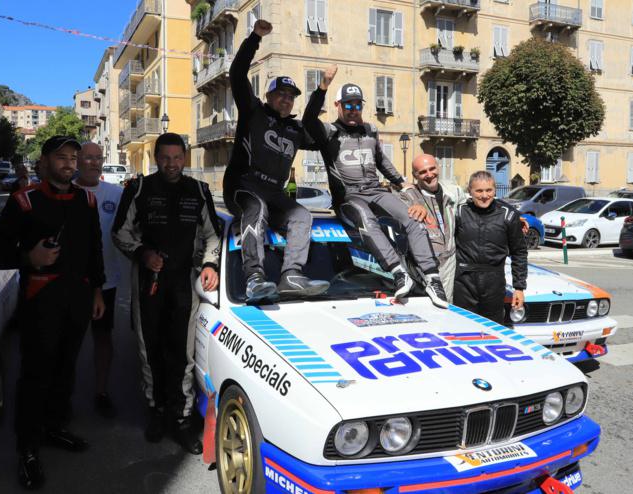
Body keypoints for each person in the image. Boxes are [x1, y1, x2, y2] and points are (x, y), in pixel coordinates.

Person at [0, 135, 105, 490]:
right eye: (61, 157)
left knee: (66, 369)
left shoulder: (87, 199)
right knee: (35, 374)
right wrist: (29, 258)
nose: (70, 163)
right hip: (40, 300)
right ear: (44, 162)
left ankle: (54, 427)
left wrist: (97, 291)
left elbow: (94, 248)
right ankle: (27, 448)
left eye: (74, 157)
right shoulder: (24, 201)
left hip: (79, 298)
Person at [302, 65, 448, 307]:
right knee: (366, 220)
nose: (353, 110)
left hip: (376, 191)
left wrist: (402, 183)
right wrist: (323, 86)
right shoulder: (329, 132)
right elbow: (308, 120)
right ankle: (398, 273)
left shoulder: (371, 130)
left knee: (413, 220)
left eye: (357, 104)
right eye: (347, 104)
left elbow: (381, 161)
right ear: (338, 105)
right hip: (349, 198)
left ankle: (433, 279)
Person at [112, 132, 220, 454]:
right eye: (165, 158)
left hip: (184, 283)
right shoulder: (139, 189)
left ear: (184, 158)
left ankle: (183, 419)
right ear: (156, 158)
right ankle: (156, 411)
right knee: (151, 352)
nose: (171, 164)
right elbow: (119, 232)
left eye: (177, 158)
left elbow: (214, 235)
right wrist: (142, 253)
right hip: (149, 281)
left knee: (183, 355)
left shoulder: (199, 190)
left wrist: (210, 265)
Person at [223, 18, 329, 301]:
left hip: (274, 193)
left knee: (302, 215)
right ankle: (254, 278)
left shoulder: (296, 130)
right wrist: (255, 37)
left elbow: (319, 136)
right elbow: (237, 73)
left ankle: (291, 276)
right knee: (256, 207)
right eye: (279, 94)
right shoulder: (253, 111)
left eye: (291, 96)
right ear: (268, 96)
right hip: (243, 186)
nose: (285, 99)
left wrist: (320, 93)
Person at [73, 142, 123, 418]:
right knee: (68, 340)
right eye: (88, 158)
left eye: (98, 158)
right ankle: (62, 393)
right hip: (70, 283)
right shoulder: (67, 193)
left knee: (103, 338)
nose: (94, 162)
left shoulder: (115, 194)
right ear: (78, 161)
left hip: (107, 283)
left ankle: (101, 391)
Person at [453, 171, 528, 324]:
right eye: (479, 191)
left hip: (494, 281)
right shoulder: (459, 212)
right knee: (462, 327)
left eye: (489, 190)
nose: (484, 195)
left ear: (495, 190)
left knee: (491, 329)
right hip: (463, 281)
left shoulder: (508, 215)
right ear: (470, 191)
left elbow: (519, 252)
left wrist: (519, 287)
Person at [400, 154, 467, 302]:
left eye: (432, 169)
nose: (429, 174)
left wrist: (510, 214)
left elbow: (476, 202)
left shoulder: (453, 191)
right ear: (415, 175)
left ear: (438, 168)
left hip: (448, 263)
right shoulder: (407, 196)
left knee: (445, 306)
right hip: (421, 267)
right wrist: (411, 206)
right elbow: (395, 209)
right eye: (423, 172)